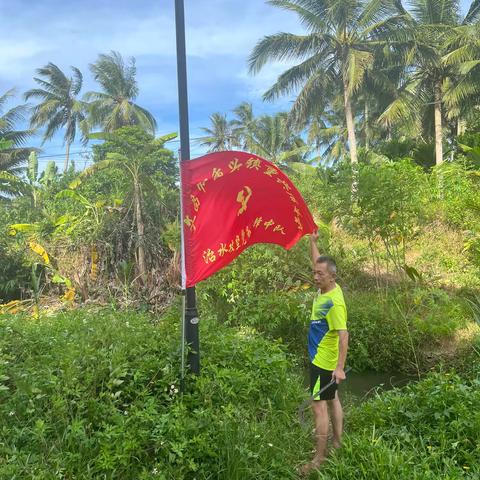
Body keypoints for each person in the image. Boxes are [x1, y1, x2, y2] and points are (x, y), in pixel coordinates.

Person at [300, 231, 349, 475]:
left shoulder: (334, 303)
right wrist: (312, 242)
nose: (315, 276)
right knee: (333, 399)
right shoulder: (328, 286)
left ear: (332, 276)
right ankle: (338, 443)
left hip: (323, 361)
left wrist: (339, 367)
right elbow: (318, 262)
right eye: (314, 273)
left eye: (320, 274)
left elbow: (343, 336)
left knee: (318, 407)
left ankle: (319, 459)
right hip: (324, 359)